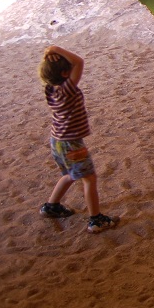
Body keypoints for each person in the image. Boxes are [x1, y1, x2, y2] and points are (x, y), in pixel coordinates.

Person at [38, 45, 120, 234]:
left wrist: (50, 56)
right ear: (66, 73)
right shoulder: (67, 90)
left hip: (56, 141)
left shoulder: (50, 89)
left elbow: (68, 66)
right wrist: (56, 49)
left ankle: (52, 206)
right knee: (89, 179)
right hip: (71, 144)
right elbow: (79, 62)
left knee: (69, 175)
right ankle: (96, 219)